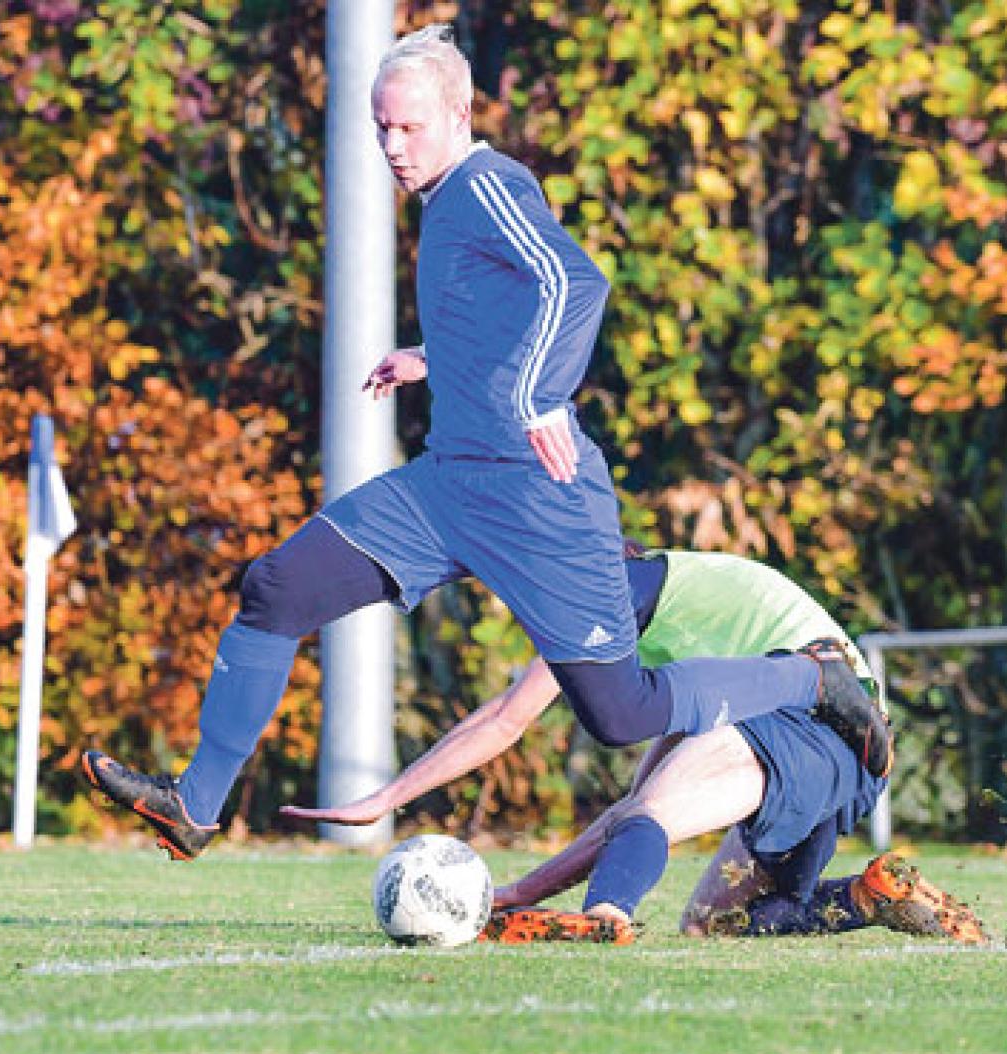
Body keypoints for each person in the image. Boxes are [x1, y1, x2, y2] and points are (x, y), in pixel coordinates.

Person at [80, 24, 890, 860]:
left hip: (540, 497)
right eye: (381, 126)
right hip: (447, 488)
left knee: (623, 711)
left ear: (460, 115)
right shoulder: (444, 200)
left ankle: (811, 677)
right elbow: (505, 309)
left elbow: (574, 282)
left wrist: (540, 397)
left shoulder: (486, 183)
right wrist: (432, 358)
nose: (393, 146)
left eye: (410, 126)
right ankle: (196, 803)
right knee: (276, 587)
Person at [284, 545, 987, 946]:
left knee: (656, 812)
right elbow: (630, 815)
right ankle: (873, 895)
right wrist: (523, 892)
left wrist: (388, 796)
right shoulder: (683, 642)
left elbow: (505, 718)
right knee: (717, 923)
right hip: (846, 757)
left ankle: (606, 918)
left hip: (816, 718)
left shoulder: (617, 593)